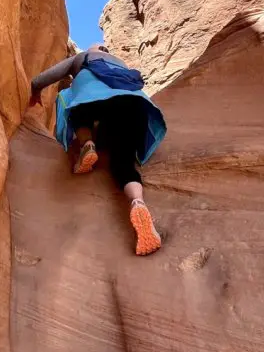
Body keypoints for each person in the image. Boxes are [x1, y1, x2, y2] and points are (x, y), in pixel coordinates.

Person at [30, 44, 166, 255]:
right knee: (122, 163)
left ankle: (87, 144)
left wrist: (35, 90)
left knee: (75, 101)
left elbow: (46, 77)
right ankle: (138, 202)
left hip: (93, 99)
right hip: (135, 104)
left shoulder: (83, 57)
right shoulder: (119, 64)